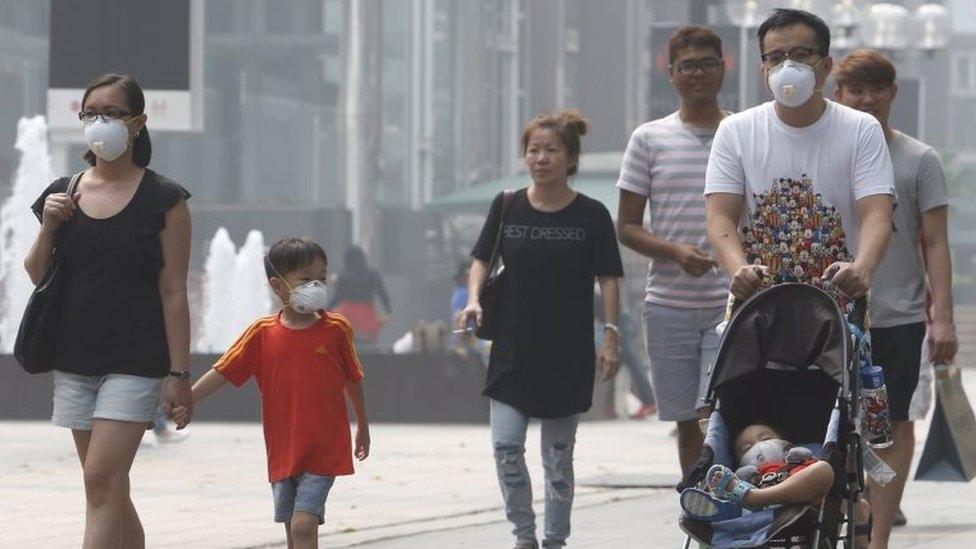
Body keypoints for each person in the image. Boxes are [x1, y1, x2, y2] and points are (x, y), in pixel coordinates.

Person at [24, 73, 192, 549]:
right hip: (75, 359)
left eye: (113, 113)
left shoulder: (166, 200)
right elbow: (37, 274)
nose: (101, 122)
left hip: (135, 362)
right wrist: (49, 227)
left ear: (138, 123)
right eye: (91, 112)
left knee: (100, 481)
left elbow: (174, 291)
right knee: (108, 487)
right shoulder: (64, 191)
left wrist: (178, 373)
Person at [457, 109, 624, 549]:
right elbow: (481, 259)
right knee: (506, 448)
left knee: (557, 457)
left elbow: (609, 278)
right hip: (513, 347)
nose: (541, 158)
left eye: (552, 151)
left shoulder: (592, 215)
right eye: (534, 150)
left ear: (571, 158)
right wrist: (473, 299)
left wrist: (610, 335)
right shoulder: (507, 204)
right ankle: (524, 535)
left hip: (567, 351)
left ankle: (554, 540)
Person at [834, 49, 957, 548]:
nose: (866, 100)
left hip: (897, 315)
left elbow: (937, 243)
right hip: (829, 315)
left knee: (894, 425)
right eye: (855, 90)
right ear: (836, 94)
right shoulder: (827, 152)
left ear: (893, 93)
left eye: (875, 89)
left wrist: (943, 318)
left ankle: (878, 536)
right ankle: (848, 514)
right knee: (833, 425)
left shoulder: (918, 158)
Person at [176, 237, 369, 549]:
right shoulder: (262, 334)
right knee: (294, 529)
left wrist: (363, 426)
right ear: (278, 287)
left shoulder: (336, 330)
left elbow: (353, 379)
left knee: (304, 524)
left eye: (321, 277)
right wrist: (188, 398)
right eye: (306, 279)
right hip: (283, 448)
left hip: (324, 447)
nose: (317, 286)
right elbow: (224, 370)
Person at [704, 8, 894, 306]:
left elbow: (877, 214)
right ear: (763, 70)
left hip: (837, 306)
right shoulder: (735, 131)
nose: (788, 66)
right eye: (776, 57)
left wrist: (862, 268)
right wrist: (738, 269)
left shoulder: (861, 129)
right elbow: (720, 218)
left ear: (827, 65)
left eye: (801, 54)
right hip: (758, 306)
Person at [616, 26, 731, 474]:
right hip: (669, 305)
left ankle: (736, 506)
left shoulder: (743, 132)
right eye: (688, 65)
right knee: (687, 419)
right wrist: (675, 252)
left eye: (707, 63)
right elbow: (626, 226)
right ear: (671, 74)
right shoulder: (649, 138)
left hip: (733, 304)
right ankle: (701, 510)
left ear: (723, 68)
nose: (698, 73)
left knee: (725, 411)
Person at [681, 423, 870, 547]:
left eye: (766, 438)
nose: (759, 446)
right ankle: (725, 512)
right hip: (750, 510)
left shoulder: (798, 462)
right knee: (722, 483)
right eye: (747, 448)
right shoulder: (739, 476)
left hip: (795, 510)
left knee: (823, 470)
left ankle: (752, 500)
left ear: (787, 445)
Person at [328, 245, 392, 343]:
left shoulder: (344, 276)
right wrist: (388, 311)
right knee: (368, 346)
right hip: (367, 315)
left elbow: (338, 297)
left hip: (348, 314)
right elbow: (383, 293)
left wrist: (326, 309)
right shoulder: (373, 275)